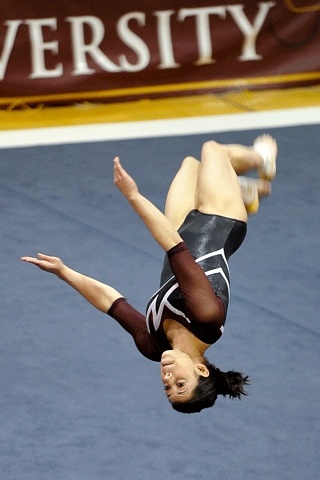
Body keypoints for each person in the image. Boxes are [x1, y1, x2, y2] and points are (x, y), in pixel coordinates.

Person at [21, 134, 277, 413]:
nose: (168, 379)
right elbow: (172, 247)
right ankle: (261, 158)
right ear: (201, 370)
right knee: (212, 150)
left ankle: (244, 191)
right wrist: (132, 195)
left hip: (180, 228)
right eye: (180, 383)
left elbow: (113, 303)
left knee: (191, 165)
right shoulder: (206, 317)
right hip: (221, 220)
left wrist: (64, 272)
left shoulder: (152, 346)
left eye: (167, 388)